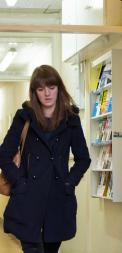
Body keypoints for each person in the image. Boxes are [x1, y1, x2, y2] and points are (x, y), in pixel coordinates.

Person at [0, 65, 91, 253]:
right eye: (41, 89)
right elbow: (4, 155)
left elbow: (83, 158)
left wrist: (69, 183)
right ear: (35, 93)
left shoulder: (71, 119)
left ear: (59, 88)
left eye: (51, 87)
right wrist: (19, 183)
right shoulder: (24, 117)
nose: (47, 94)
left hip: (58, 199)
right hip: (28, 199)